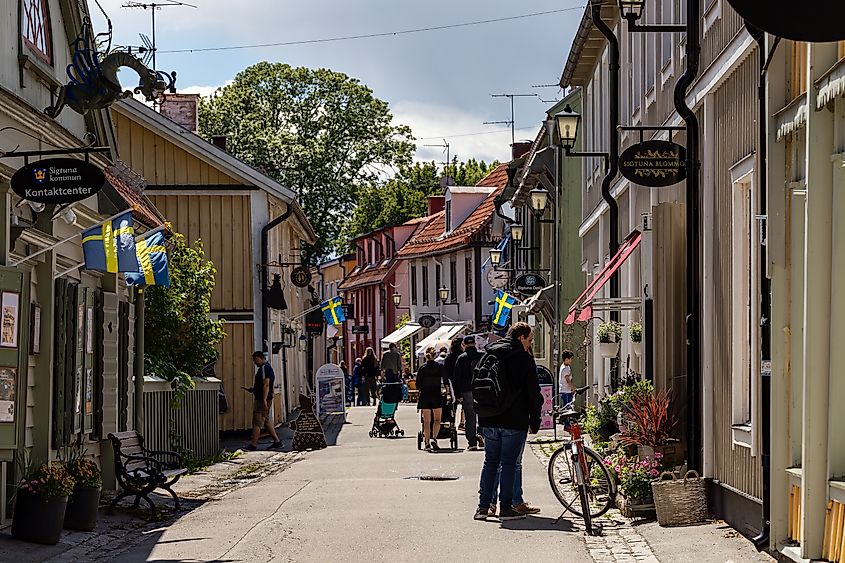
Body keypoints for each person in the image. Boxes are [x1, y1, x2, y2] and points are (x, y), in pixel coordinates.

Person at [474, 322, 543, 521]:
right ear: (521, 337)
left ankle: (483, 507)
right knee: (509, 464)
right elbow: (533, 393)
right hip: (514, 419)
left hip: (488, 417)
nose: (530, 345)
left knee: (490, 462)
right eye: (529, 340)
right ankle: (506, 507)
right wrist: (535, 419)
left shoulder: (490, 352)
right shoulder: (523, 358)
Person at [453, 335, 483, 450]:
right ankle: (481, 435)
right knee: (483, 413)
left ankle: (472, 442)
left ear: (464, 345)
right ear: (475, 343)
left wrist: (457, 394)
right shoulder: (482, 356)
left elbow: (457, 378)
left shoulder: (461, 358)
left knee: (470, 416)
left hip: (467, 390)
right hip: (481, 389)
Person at [248, 351, 283, 451]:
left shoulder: (265, 368)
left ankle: (253, 445)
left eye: (255, 360)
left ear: (260, 358)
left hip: (262, 400)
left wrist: (263, 399)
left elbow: (266, 384)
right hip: (264, 398)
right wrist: (254, 389)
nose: (254, 362)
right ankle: (277, 442)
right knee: (266, 421)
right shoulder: (265, 368)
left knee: (257, 422)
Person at [416, 347, 447, 451]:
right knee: (437, 419)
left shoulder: (422, 368)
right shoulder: (439, 367)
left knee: (426, 421)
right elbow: (445, 380)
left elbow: (417, 384)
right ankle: (434, 438)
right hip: (436, 395)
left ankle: (427, 443)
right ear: (435, 355)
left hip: (425, 396)